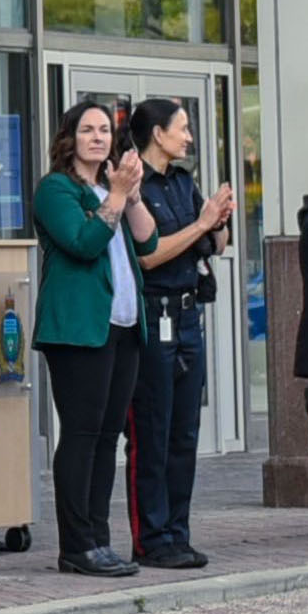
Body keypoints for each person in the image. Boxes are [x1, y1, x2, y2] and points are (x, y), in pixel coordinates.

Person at [28, 99, 137, 578]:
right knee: (83, 433)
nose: (99, 137)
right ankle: (76, 545)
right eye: (88, 130)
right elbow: (83, 243)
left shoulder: (109, 188)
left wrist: (131, 197)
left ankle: (99, 536)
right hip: (76, 329)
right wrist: (114, 196)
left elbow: (148, 243)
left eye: (106, 131)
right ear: (69, 139)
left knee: (108, 436)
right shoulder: (56, 189)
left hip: (123, 326)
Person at [122, 97, 227, 568]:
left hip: (188, 313)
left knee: (185, 430)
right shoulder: (133, 185)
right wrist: (201, 224)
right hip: (153, 310)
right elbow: (149, 254)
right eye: (181, 129)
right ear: (157, 134)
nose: (188, 137)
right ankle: (151, 537)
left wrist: (217, 221)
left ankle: (178, 531)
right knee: (152, 428)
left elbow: (211, 244)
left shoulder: (185, 182)